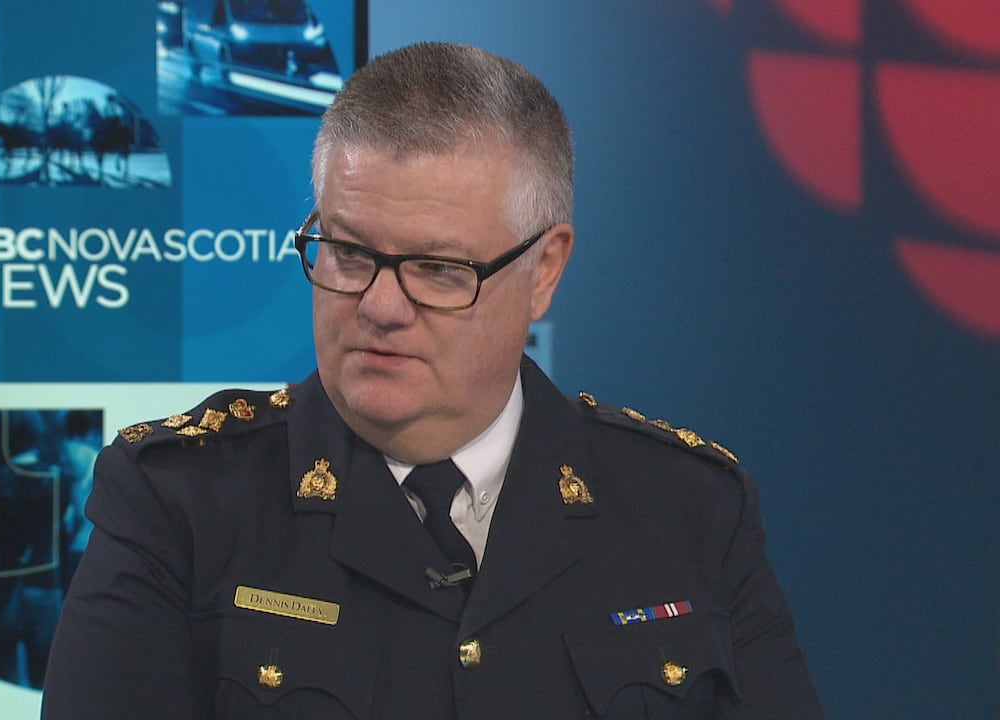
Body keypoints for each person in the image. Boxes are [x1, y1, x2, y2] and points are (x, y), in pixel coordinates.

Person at [42, 42, 825, 718]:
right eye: (349, 253)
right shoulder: (176, 501)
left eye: (438, 268)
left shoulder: (691, 511)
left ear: (544, 270)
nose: (380, 307)